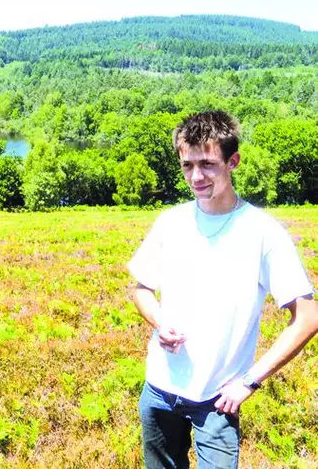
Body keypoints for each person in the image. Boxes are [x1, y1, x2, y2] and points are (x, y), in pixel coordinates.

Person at [128, 110, 318, 469]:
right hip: (158, 392)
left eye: (208, 164)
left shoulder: (263, 233)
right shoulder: (171, 222)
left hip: (218, 401)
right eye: (187, 165)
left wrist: (249, 381)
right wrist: (158, 321)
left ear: (233, 162)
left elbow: (308, 318)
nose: (196, 176)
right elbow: (141, 289)